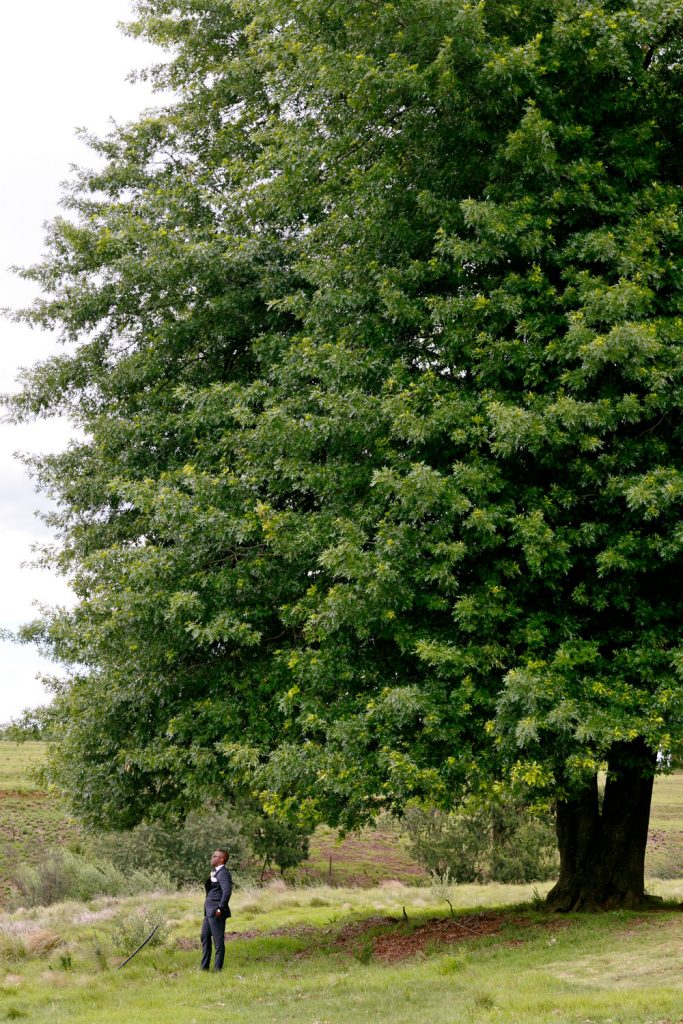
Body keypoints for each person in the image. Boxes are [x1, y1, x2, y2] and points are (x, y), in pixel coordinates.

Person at [201, 848, 232, 972]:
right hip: (208, 911)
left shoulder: (224, 873)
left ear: (221, 859)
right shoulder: (215, 872)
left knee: (218, 941)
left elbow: (227, 891)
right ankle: (204, 968)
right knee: (204, 937)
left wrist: (220, 908)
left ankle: (218, 969)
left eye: (214, 856)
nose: (212, 858)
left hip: (216, 911)